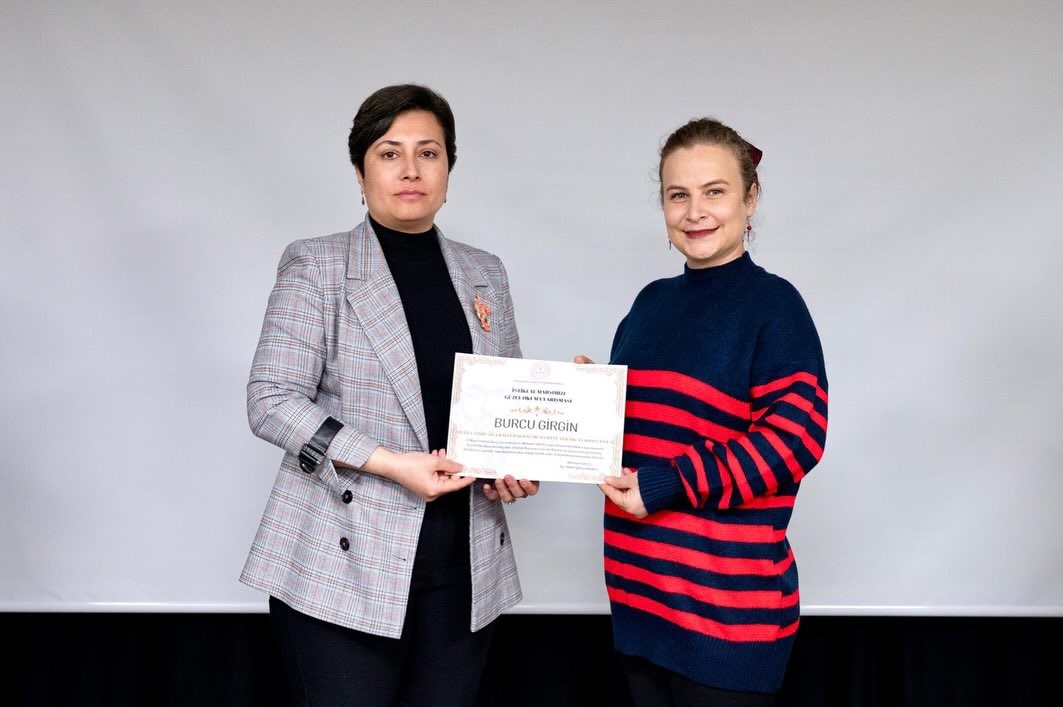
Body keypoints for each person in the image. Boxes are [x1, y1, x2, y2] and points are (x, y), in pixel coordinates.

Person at [241, 83, 538, 707]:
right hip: (343, 561)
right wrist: (390, 463)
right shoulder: (316, 265)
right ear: (360, 171)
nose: (410, 169)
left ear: (449, 170)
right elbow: (271, 399)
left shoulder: (485, 272)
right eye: (388, 152)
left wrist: (516, 463)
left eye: (428, 153)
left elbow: (504, 405)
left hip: (464, 563)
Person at [576, 118, 828, 706]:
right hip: (641, 601)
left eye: (714, 191)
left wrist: (667, 484)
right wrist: (587, 407)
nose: (696, 211)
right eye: (678, 195)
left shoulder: (775, 305)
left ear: (750, 198)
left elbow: (794, 440)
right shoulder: (649, 305)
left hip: (726, 617)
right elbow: (641, 437)